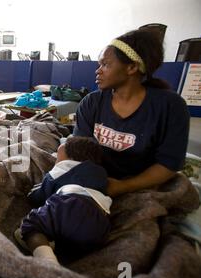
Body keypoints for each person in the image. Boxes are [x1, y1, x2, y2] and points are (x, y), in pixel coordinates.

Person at [73, 28, 190, 197]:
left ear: (132, 67)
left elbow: (168, 164)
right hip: (96, 176)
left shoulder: (171, 107)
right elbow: (78, 150)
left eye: (105, 64)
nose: (97, 71)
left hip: (139, 183)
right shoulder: (91, 102)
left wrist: (123, 186)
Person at [15, 136, 112, 265]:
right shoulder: (101, 174)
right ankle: (60, 249)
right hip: (99, 219)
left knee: (30, 225)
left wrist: (30, 194)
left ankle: (47, 261)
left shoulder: (63, 168)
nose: (55, 159)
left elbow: (38, 196)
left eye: (57, 157)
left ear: (71, 157)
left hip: (69, 204)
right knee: (73, 242)